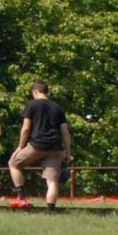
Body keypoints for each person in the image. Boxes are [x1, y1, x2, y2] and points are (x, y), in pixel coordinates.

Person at [8, 81, 72, 211]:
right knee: (52, 182)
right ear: (47, 92)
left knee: (13, 163)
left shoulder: (32, 104)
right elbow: (65, 132)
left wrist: (20, 147)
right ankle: (50, 210)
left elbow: (26, 128)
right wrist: (67, 153)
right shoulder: (58, 108)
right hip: (55, 149)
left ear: (35, 92)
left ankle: (21, 198)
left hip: (37, 146)